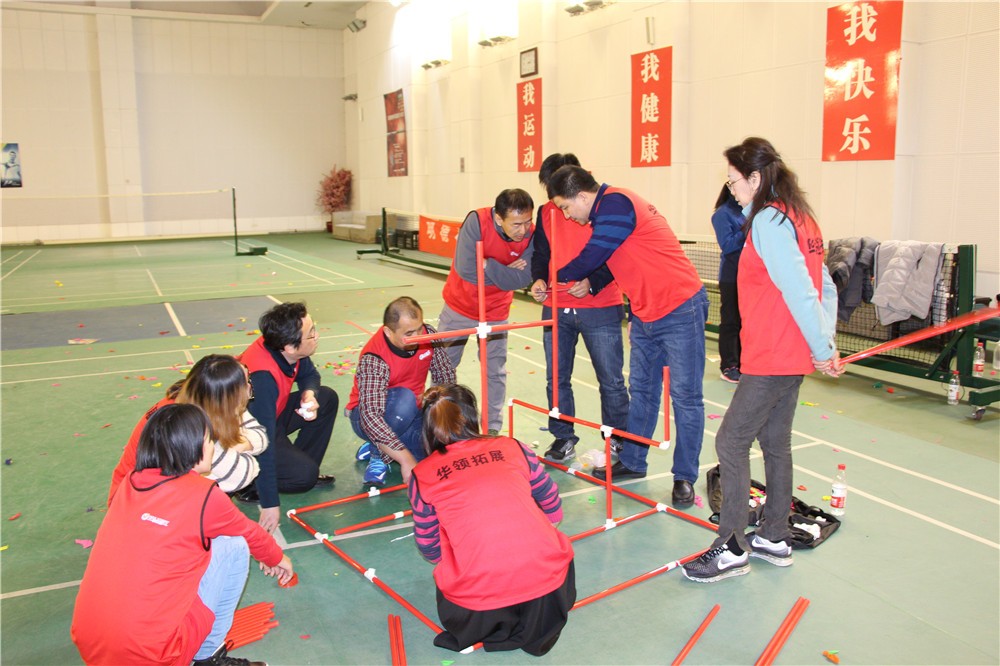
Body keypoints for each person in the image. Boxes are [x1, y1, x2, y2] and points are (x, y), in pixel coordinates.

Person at [682, 137, 841, 583]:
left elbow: (803, 289)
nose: (730, 189)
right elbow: (823, 287)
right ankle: (774, 535)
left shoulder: (770, 221)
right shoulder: (801, 217)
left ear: (755, 177)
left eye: (734, 180)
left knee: (731, 442)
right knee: (775, 443)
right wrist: (822, 342)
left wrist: (824, 346)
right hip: (790, 356)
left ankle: (731, 546)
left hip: (773, 354)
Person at [72, 403, 293, 666]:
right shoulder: (204, 494)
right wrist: (279, 559)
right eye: (211, 439)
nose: (214, 445)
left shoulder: (131, 481)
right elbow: (251, 534)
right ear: (194, 447)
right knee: (233, 545)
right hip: (155, 655)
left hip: (91, 644)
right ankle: (208, 657)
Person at [547, 166, 708, 507]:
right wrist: (595, 283)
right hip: (646, 312)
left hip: (681, 308)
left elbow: (593, 255)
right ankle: (633, 462)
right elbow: (613, 260)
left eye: (565, 206)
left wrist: (551, 278)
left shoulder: (616, 203)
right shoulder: (607, 213)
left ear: (582, 196)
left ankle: (684, 477)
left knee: (685, 397)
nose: (566, 214)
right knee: (644, 392)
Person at [408, 384, 575, 656]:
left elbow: (429, 547)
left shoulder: (422, 474)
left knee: (450, 542)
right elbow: (550, 498)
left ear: (428, 428)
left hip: (479, 610)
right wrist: (547, 526)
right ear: (474, 417)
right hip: (548, 595)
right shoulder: (511, 446)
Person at [529, 153, 628, 464]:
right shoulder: (546, 213)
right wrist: (538, 279)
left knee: (610, 379)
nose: (563, 208)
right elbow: (541, 254)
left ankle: (617, 441)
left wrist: (593, 282)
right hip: (557, 307)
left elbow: (617, 252)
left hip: (600, 307)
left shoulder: (603, 208)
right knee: (556, 377)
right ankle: (562, 437)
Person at [436, 188, 535, 434]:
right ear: (499, 218)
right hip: (459, 306)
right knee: (444, 368)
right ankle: (442, 426)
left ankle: (491, 430)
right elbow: (466, 270)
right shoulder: (476, 222)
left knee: (494, 372)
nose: (523, 230)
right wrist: (505, 273)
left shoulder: (531, 233)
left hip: (496, 312)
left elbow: (524, 277)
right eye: (517, 224)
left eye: (528, 222)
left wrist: (489, 265)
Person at [108, 354, 267, 505]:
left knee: (214, 474)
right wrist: (240, 445)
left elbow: (261, 436)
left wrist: (237, 446)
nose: (250, 387)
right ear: (228, 396)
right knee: (215, 483)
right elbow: (245, 473)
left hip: (149, 494)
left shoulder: (200, 398)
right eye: (246, 383)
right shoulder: (186, 427)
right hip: (138, 503)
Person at [236, 302, 338, 533]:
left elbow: (310, 374)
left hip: (274, 415)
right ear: (290, 347)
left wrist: (308, 394)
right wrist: (269, 503)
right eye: (311, 333)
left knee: (327, 398)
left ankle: (301, 463)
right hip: (250, 434)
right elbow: (263, 444)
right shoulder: (262, 379)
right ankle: (251, 483)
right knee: (304, 476)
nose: (316, 335)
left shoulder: (285, 346)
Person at [346, 296, 456, 488]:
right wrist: (405, 459)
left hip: (411, 412)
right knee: (404, 399)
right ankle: (377, 451)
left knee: (434, 450)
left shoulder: (427, 336)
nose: (418, 336)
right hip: (365, 416)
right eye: (409, 333)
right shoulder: (374, 357)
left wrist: (438, 411)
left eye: (420, 328)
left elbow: (445, 375)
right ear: (388, 332)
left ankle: (383, 445)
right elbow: (370, 416)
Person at [711, 183, 747, 383]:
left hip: (750, 276)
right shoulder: (722, 214)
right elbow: (728, 245)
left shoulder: (748, 212)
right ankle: (729, 365)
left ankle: (744, 362)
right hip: (731, 277)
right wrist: (747, 229)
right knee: (731, 322)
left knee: (745, 322)